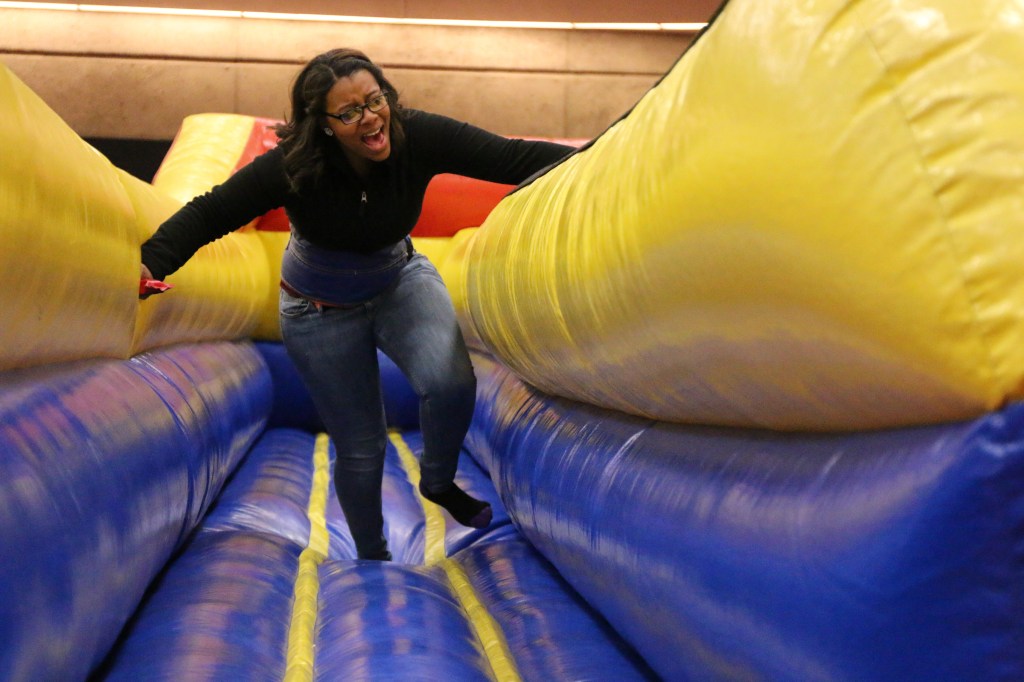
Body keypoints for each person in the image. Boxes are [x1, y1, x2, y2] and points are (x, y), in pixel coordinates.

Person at [140, 48, 574, 561]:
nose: (371, 118)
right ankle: (373, 553)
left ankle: (437, 482)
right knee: (362, 449)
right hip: (317, 308)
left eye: (376, 100)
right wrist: (153, 261)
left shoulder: (418, 136)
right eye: (349, 113)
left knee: (450, 382)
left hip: (398, 280)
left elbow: (511, 158)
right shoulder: (293, 166)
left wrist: (600, 161)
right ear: (323, 125)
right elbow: (213, 209)